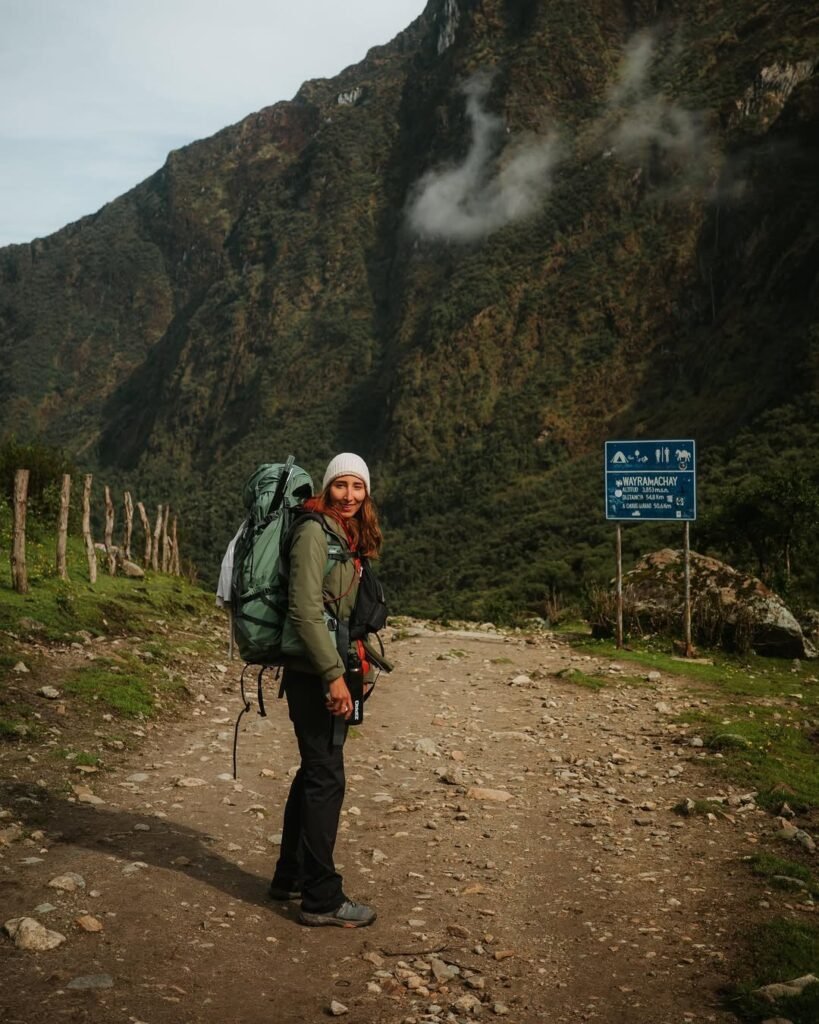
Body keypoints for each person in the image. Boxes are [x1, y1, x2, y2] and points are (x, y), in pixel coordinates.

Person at [269, 453, 382, 927]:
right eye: (342, 486)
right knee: (326, 776)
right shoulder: (315, 531)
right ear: (327, 486)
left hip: (327, 665)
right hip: (315, 671)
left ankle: (289, 876)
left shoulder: (343, 532)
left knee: (315, 769)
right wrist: (333, 676)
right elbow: (304, 610)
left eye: (358, 487)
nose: (350, 496)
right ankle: (320, 898)